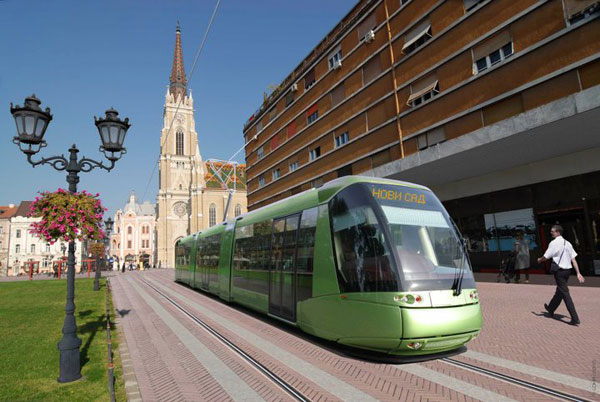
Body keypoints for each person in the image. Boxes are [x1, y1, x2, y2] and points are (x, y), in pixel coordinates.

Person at [537, 224, 585, 326]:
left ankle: (575, 318)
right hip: (567, 271)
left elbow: (546, 256)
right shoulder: (568, 243)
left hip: (559, 271)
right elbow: (573, 260)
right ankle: (551, 308)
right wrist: (578, 273)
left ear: (558, 232)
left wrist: (540, 260)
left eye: (552, 231)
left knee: (565, 293)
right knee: (560, 290)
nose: (551, 232)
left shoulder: (553, 243)